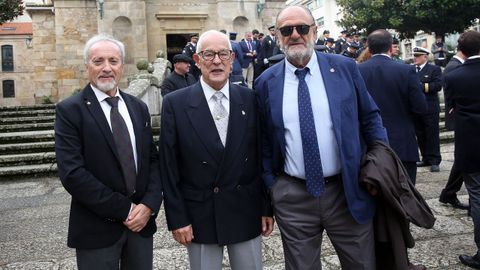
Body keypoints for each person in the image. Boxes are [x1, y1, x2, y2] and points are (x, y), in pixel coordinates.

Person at [255, 6, 388, 269]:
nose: (295, 35)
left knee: (362, 264)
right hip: (293, 197)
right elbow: (264, 141)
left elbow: (371, 118)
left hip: (347, 192)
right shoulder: (265, 82)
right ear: (279, 36)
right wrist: (274, 186)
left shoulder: (345, 68)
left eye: (302, 28)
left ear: (314, 31)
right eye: (286, 30)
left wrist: (378, 164)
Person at [160, 30, 274, 270]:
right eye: (208, 54)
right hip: (199, 212)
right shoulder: (175, 103)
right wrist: (177, 218)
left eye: (223, 54)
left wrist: (266, 207)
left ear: (232, 58)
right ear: (197, 60)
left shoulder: (250, 99)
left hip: (245, 208)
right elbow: (168, 166)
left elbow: (260, 157)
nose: (216, 60)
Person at [54, 34, 162, 270]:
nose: (106, 68)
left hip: (141, 227)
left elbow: (152, 161)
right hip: (97, 229)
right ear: (87, 66)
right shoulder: (70, 111)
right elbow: (72, 173)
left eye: (113, 61)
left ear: (122, 66)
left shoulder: (138, 107)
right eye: (98, 61)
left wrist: (149, 205)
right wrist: (126, 210)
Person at [359, 29, 427, 185]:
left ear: (368, 48)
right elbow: (420, 107)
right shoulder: (406, 70)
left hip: (370, 145)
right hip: (403, 142)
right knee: (407, 197)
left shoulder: (357, 70)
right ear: (390, 47)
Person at [443, 30, 480, 269]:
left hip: (471, 143)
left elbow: (451, 109)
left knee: (476, 195)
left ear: (461, 50)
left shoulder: (455, 76)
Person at [439, 48, 469, 210]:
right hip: (462, 119)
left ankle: (449, 193)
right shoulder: (454, 67)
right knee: (461, 159)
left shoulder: (456, 65)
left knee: (461, 159)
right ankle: (449, 192)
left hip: (463, 119)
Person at [412, 46, 443, 172]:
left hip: (430, 107)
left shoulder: (434, 69)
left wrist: (420, 86)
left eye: (418, 56)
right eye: (414, 56)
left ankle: (434, 160)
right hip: (416, 107)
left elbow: (437, 85)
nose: (415, 58)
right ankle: (425, 158)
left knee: (432, 134)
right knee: (420, 134)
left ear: (425, 57)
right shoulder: (411, 70)